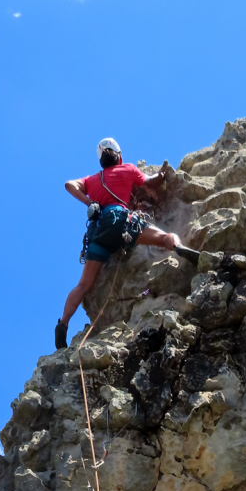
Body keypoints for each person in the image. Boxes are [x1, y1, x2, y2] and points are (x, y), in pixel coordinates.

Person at [54, 137, 200, 349]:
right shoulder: (128, 169)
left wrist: (91, 202)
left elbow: (69, 185)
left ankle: (63, 324)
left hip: (99, 232)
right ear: (119, 157)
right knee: (162, 237)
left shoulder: (92, 180)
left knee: (84, 285)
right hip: (122, 222)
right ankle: (178, 247)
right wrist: (161, 175)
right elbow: (150, 181)